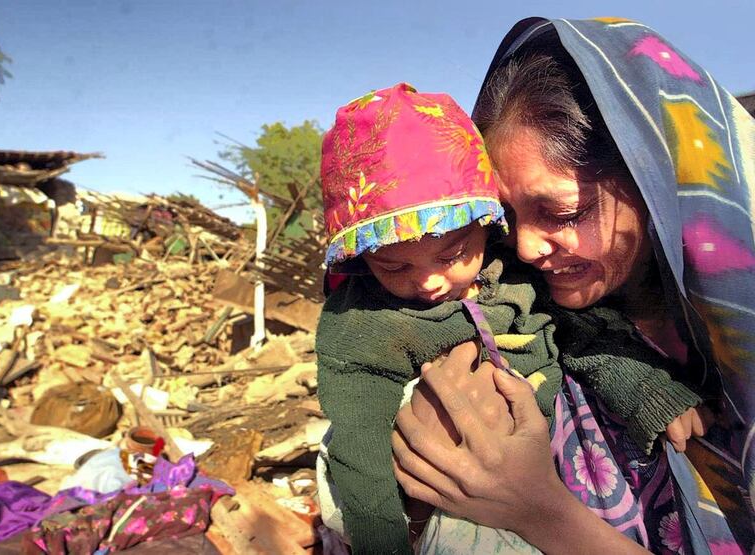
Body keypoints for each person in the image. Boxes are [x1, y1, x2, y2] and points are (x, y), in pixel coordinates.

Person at [392, 17, 754, 553]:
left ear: (658, 180)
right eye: (507, 217)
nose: (525, 249)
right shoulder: (524, 320)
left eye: (563, 212)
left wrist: (538, 510)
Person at [316, 82, 710, 554]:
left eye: (452, 254)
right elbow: (360, 450)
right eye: (394, 268)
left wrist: (648, 393)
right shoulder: (365, 323)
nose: (428, 283)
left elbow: (589, 338)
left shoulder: (518, 278)